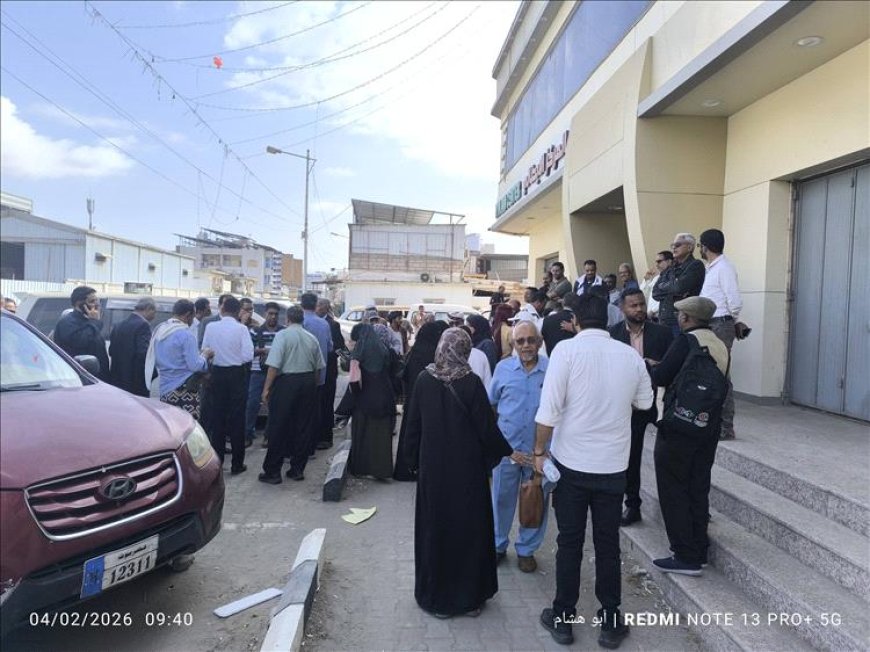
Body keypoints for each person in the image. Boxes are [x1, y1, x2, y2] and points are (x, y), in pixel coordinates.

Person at [534, 293, 653, 648]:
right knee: (608, 545)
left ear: (576, 319)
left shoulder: (565, 352)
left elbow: (548, 412)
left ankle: (563, 618)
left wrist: (539, 452)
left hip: (571, 467)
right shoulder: (630, 356)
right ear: (609, 317)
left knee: (569, 542)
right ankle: (610, 620)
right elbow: (646, 403)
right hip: (614, 468)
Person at [403, 328, 512, 618]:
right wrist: (506, 450)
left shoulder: (424, 380)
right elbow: (486, 430)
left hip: (434, 472)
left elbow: (412, 426)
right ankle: (469, 599)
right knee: (468, 532)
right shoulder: (471, 382)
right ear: (464, 350)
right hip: (467, 474)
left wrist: (412, 462)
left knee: (436, 529)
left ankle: (437, 599)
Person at [650, 296, 729, 576]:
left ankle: (684, 555)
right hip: (707, 428)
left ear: (686, 318)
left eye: (681, 314)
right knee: (697, 487)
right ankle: (699, 549)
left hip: (678, 427)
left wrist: (653, 366)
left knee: (673, 489)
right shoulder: (719, 344)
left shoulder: (686, 341)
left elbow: (661, 376)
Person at [608, 288, 673, 526]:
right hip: (628, 407)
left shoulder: (663, 333)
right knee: (631, 456)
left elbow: (673, 365)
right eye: (633, 305)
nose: (639, 310)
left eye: (642, 304)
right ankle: (632, 505)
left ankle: (674, 506)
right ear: (622, 308)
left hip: (658, 403)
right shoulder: (613, 335)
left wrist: (653, 367)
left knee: (668, 457)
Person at [489, 321, 549, 573]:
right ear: (513, 344)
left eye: (530, 340)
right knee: (501, 500)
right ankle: (497, 545)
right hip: (507, 451)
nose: (526, 345)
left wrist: (546, 451)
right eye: (520, 341)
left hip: (540, 453)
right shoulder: (503, 369)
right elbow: (491, 406)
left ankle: (526, 550)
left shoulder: (553, 369)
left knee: (536, 502)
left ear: (540, 341)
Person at [258, 306, 325, 484]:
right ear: (302, 319)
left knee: (278, 426)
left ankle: (273, 471)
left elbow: (274, 365)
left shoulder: (283, 336)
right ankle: (297, 469)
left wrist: (266, 389)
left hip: (287, 382)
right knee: (303, 427)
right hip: (308, 382)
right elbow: (318, 368)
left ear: (287, 319)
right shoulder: (312, 338)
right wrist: (314, 386)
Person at [201, 296, 254, 475]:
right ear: (238, 311)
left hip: (217, 374)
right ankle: (237, 464)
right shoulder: (241, 329)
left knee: (218, 420)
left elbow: (205, 350)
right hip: (236, 375)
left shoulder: (211, 327)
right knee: (237, 420)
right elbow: (248, 356)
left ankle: (218, 462)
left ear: (222, 309)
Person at [699, 228, 742, 441]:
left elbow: (734, 301)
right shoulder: (712, 268)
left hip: (720, 324)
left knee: (721, 375)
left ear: (705, 247)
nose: (700, 248)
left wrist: (729, 320)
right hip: (713, 324)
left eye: (700, 245)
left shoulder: (724, 268)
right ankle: (716, 423)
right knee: (712, 374)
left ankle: (726, 427)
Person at [393, 320, 448, 481]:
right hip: (430, 405)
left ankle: (407, 469)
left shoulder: (416, 350)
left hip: (413, 403)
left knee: (411, 434)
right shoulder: (434, 353)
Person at [347, 323, 396, 480]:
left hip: (365, 397)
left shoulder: (359, 352)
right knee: (381, 434)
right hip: (385, 395)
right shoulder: (383, 348)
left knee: (363, 433)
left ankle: (361, 468)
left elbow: (354, 380)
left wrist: (355, 396)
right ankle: (382, 470)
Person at [150, 299, 213, 420]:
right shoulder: (186, 335)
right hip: (185, 390)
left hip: (165, 388)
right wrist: (205, 355)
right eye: (192, 317)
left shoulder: (160, 331)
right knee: (188, 431)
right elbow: (195, 365)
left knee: (169, 428)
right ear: (188, 315)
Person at [244, 302, 284, 447]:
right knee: (252, 403)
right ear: (265, 314)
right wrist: (263, 351)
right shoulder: (255, 332)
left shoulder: (283, 332)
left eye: (275, 314)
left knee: (275, 405)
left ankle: (269, 436)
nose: (273, 317)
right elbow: (248, 352)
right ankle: (247, 434)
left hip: (277, 372)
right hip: (258, 372)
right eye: (270, 314)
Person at [653, 233, 706, 336]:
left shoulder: (695, 265)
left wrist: (666, 286)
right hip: (663, 320)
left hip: (681, 320)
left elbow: (679, 288)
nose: (673, 248)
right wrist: (672, 285)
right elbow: (655, 293)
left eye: (677, 245)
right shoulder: (672, 267)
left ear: (690, 247)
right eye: (672, 245)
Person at [53, 286, 109, 380]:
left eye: (97, 301)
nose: (96, 305)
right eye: (92, 301)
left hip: (97, 377)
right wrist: (95, 322)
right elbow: (81, 341)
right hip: (79, 378)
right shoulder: (68, 322)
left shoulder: (88, 322)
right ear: (80, 304)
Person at [301, 292, 333, 456]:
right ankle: (312, 446)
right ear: (315, 305)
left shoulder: (300, 323)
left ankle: (300, 448)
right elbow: (329, 347)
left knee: (300, 413)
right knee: (315, 411)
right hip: (320, 376)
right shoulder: (324, 324)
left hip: (300, 375)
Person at [108, 297, 156, 396]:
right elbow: (144, 354)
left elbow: (111, 351)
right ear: (147, 308)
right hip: (135, 382)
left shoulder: (118, 325)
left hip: (118, 379)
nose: (155, 315)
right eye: (154, 311)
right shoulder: (143, 326)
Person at [315, 297, 346, 450]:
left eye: (321, 305)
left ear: (327, 308)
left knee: (326, 404)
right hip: (315, 370)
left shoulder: (333, 325)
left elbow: (339, 347)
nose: (318, 308)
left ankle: (325, 438)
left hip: (328, 370)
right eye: (317, 305)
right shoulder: (312, 322)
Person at [640, 251, 673, 320]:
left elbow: (669, 297)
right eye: (656, 262)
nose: (657, 265)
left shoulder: (673, 276)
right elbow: (643, 294)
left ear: (669, 261)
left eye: (659, 262)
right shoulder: (657, 278)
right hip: (655, 319)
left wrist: (653, 310)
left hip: (668, 318)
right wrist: (646, 280)